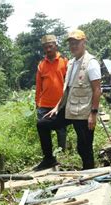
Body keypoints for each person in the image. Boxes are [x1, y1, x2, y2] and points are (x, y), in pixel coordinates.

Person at [37, 29, 102, 170]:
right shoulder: (71, 62)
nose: (73, 46)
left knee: (84, 147)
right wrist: (57, 107)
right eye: (71, 43)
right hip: (69, 109)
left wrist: (93, 113)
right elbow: (68, 89)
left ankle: (89, 173)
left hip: (84, 112)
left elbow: (97, 89)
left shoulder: (91, 63)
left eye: (76, 43)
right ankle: (49, 159)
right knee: (43, 124)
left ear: (84, 42)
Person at [34, 34, 68, 169]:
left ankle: (63, 156)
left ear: (55, 46)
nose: (48, 49)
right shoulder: (41, 65)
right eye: (45, 47)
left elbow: (69, 83)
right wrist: (37, 103)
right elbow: (38, 85)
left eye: (50, 46)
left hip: (60, 104)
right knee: (43, 130)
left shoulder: (65, 61)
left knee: (61, 130)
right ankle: (48, 158)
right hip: (44, 104)